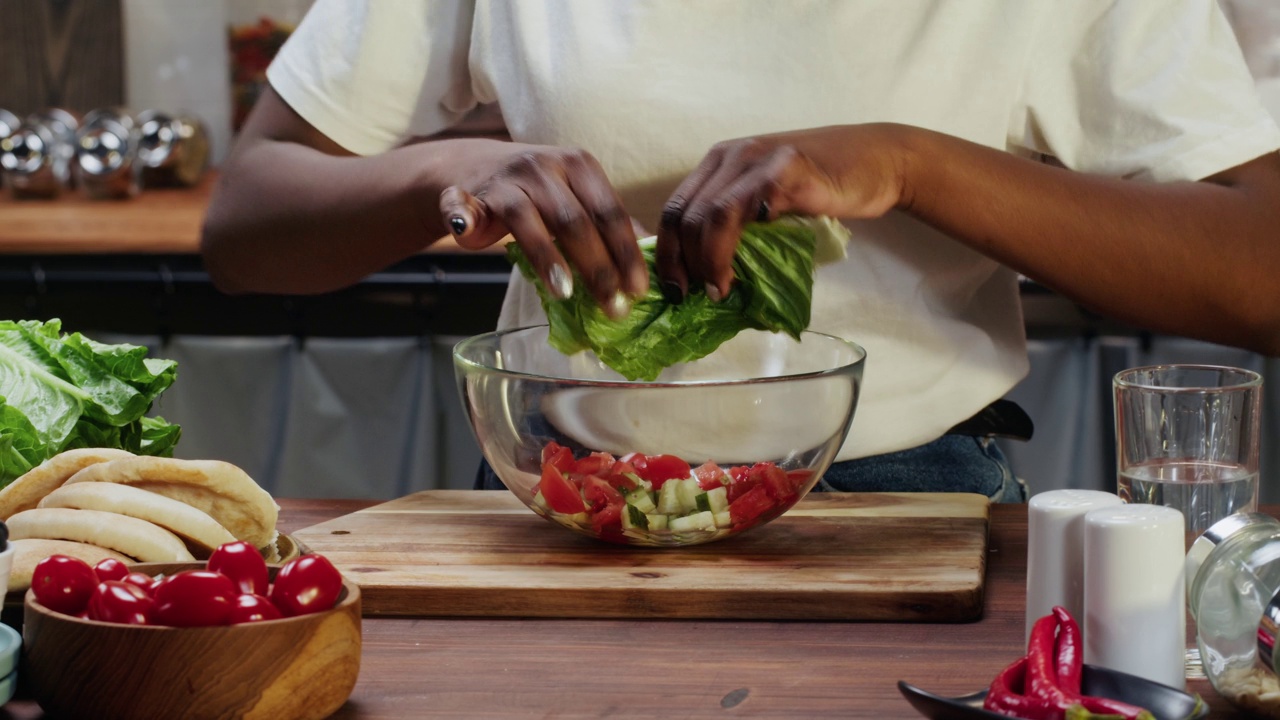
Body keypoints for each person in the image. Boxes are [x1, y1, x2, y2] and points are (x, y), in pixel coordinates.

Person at [202, 1, 1280, 503]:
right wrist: (440, 175)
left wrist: (914, 165)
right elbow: (247, 226)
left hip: (903, 496)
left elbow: (1257, 267)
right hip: (560, 495)